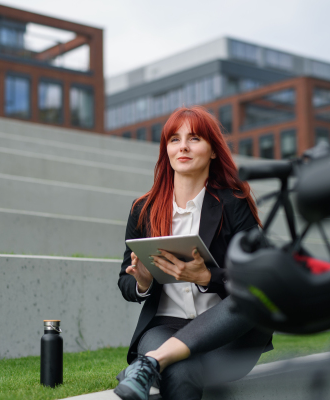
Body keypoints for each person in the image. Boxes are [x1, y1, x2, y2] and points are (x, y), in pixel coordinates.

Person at [114, 106, 273, 400]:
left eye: (194, 138)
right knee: (181, 370)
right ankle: (156, 360)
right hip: (164, 325)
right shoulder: (143, 210)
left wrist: (208, 276)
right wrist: (143, 281)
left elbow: (261, 274)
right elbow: (125, 282)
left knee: (247, 302)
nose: (183, 146)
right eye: (174, 139)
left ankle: (149, 362)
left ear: (213, 151)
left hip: (226, 332)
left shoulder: (233, 202)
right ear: (166, 150)